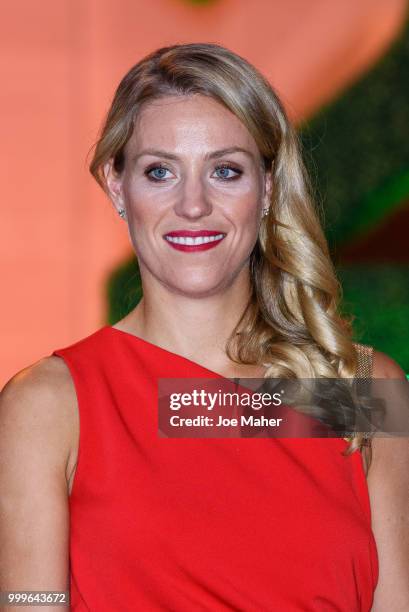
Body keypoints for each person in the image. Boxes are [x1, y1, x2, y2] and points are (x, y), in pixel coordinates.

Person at [1, 42, 408, 612]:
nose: (193, 204)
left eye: (225, 170)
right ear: (118, 186)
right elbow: (28, 603)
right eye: (160, 171)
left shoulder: (357, 389)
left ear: (267, 189)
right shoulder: (50, 403)